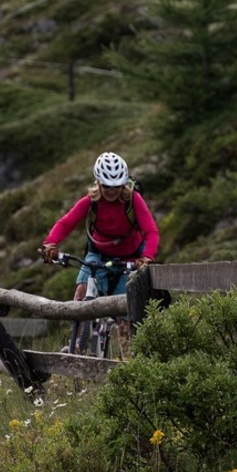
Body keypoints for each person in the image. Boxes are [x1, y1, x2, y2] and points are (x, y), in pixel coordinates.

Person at [41, 151, 159, 358]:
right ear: (98, 183)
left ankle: (129, 360)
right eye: (106, 186)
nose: (111, 191)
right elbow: (66, 222)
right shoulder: (91, 201)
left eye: (116, 187)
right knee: (81, 292)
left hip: (130, 258)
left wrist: (146, 258)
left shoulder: (133, 200)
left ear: (123, 184)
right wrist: (50, 244)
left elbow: (151, 231)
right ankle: (76, 347)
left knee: (125, 311)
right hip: (98, 253)